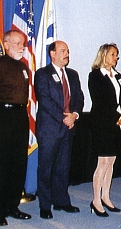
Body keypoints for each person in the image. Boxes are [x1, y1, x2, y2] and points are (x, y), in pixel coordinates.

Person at [34, 40, 84, 219]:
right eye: (63, 50)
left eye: (68, 50)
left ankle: (62, 201)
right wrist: (65, 117)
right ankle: (45, 205)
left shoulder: (73, 74)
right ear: (52, 54)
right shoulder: (42, 74)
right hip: (50, 128)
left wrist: (75, 115)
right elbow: (45, 100)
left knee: (63, 167)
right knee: (46, 168)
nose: (67, 53)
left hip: (68, 127)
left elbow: (79, 97)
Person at [88, 43, 121, 217]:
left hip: (116, 122)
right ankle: (96, 200)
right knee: (102, 162)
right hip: (102, 122)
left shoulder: (117, 75)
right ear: (103, 55)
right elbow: (100, 102)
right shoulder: (95, 76)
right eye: (113, 54)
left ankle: (106, 196)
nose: (116, 57)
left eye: (117, 55)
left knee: (111, 161)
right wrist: (115, 116)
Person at [0, 30, 32, 226]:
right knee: (2, 163)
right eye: (19, 43)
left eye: (24, 44)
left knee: (18, 163)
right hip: (3, 115)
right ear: (6, 44)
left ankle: (12, 205)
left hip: (20, 116)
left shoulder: (23, 67)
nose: (23, 47)